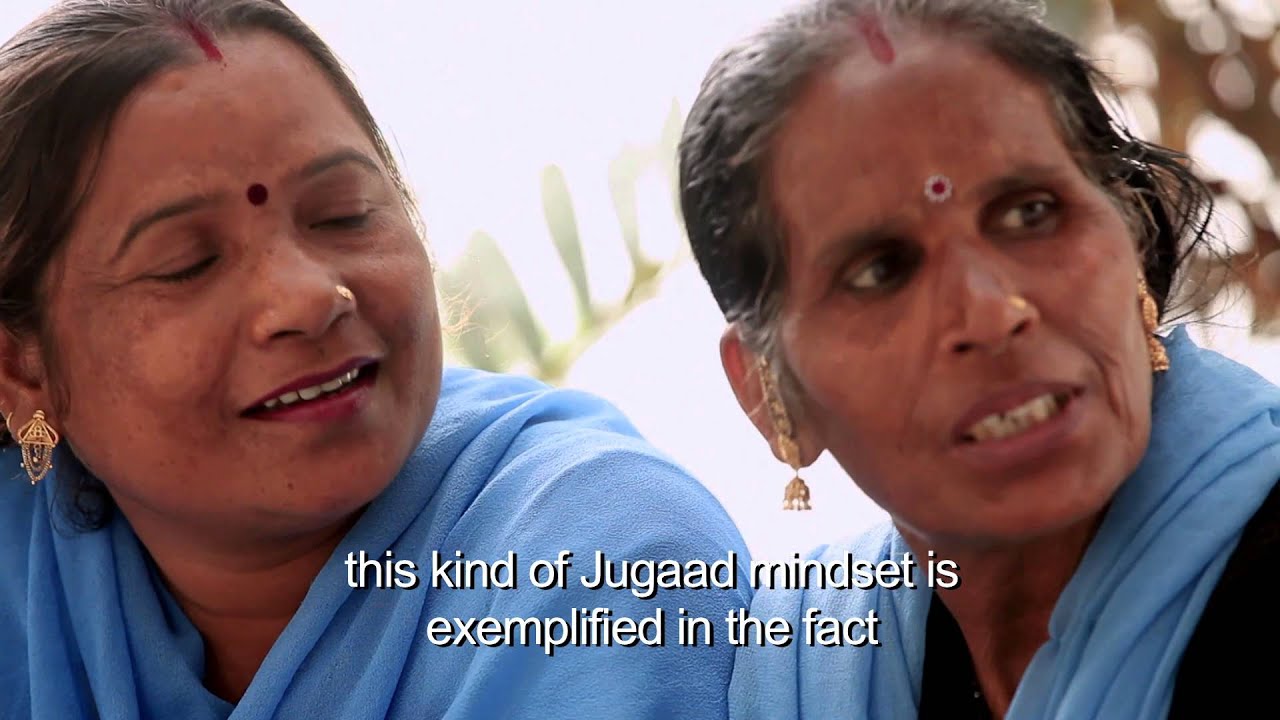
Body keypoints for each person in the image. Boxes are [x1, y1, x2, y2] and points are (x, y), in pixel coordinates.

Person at [0, 1, 752, 718]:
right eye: (188, 263)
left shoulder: (604, 564)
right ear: (23, 371)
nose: (309, 297)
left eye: (344, 215)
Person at [677, 0, 1280, 717]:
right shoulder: (803, 670)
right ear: (770, 393)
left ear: (1134, 234)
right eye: (880, 270)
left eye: (1031, 213)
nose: (992, 314)